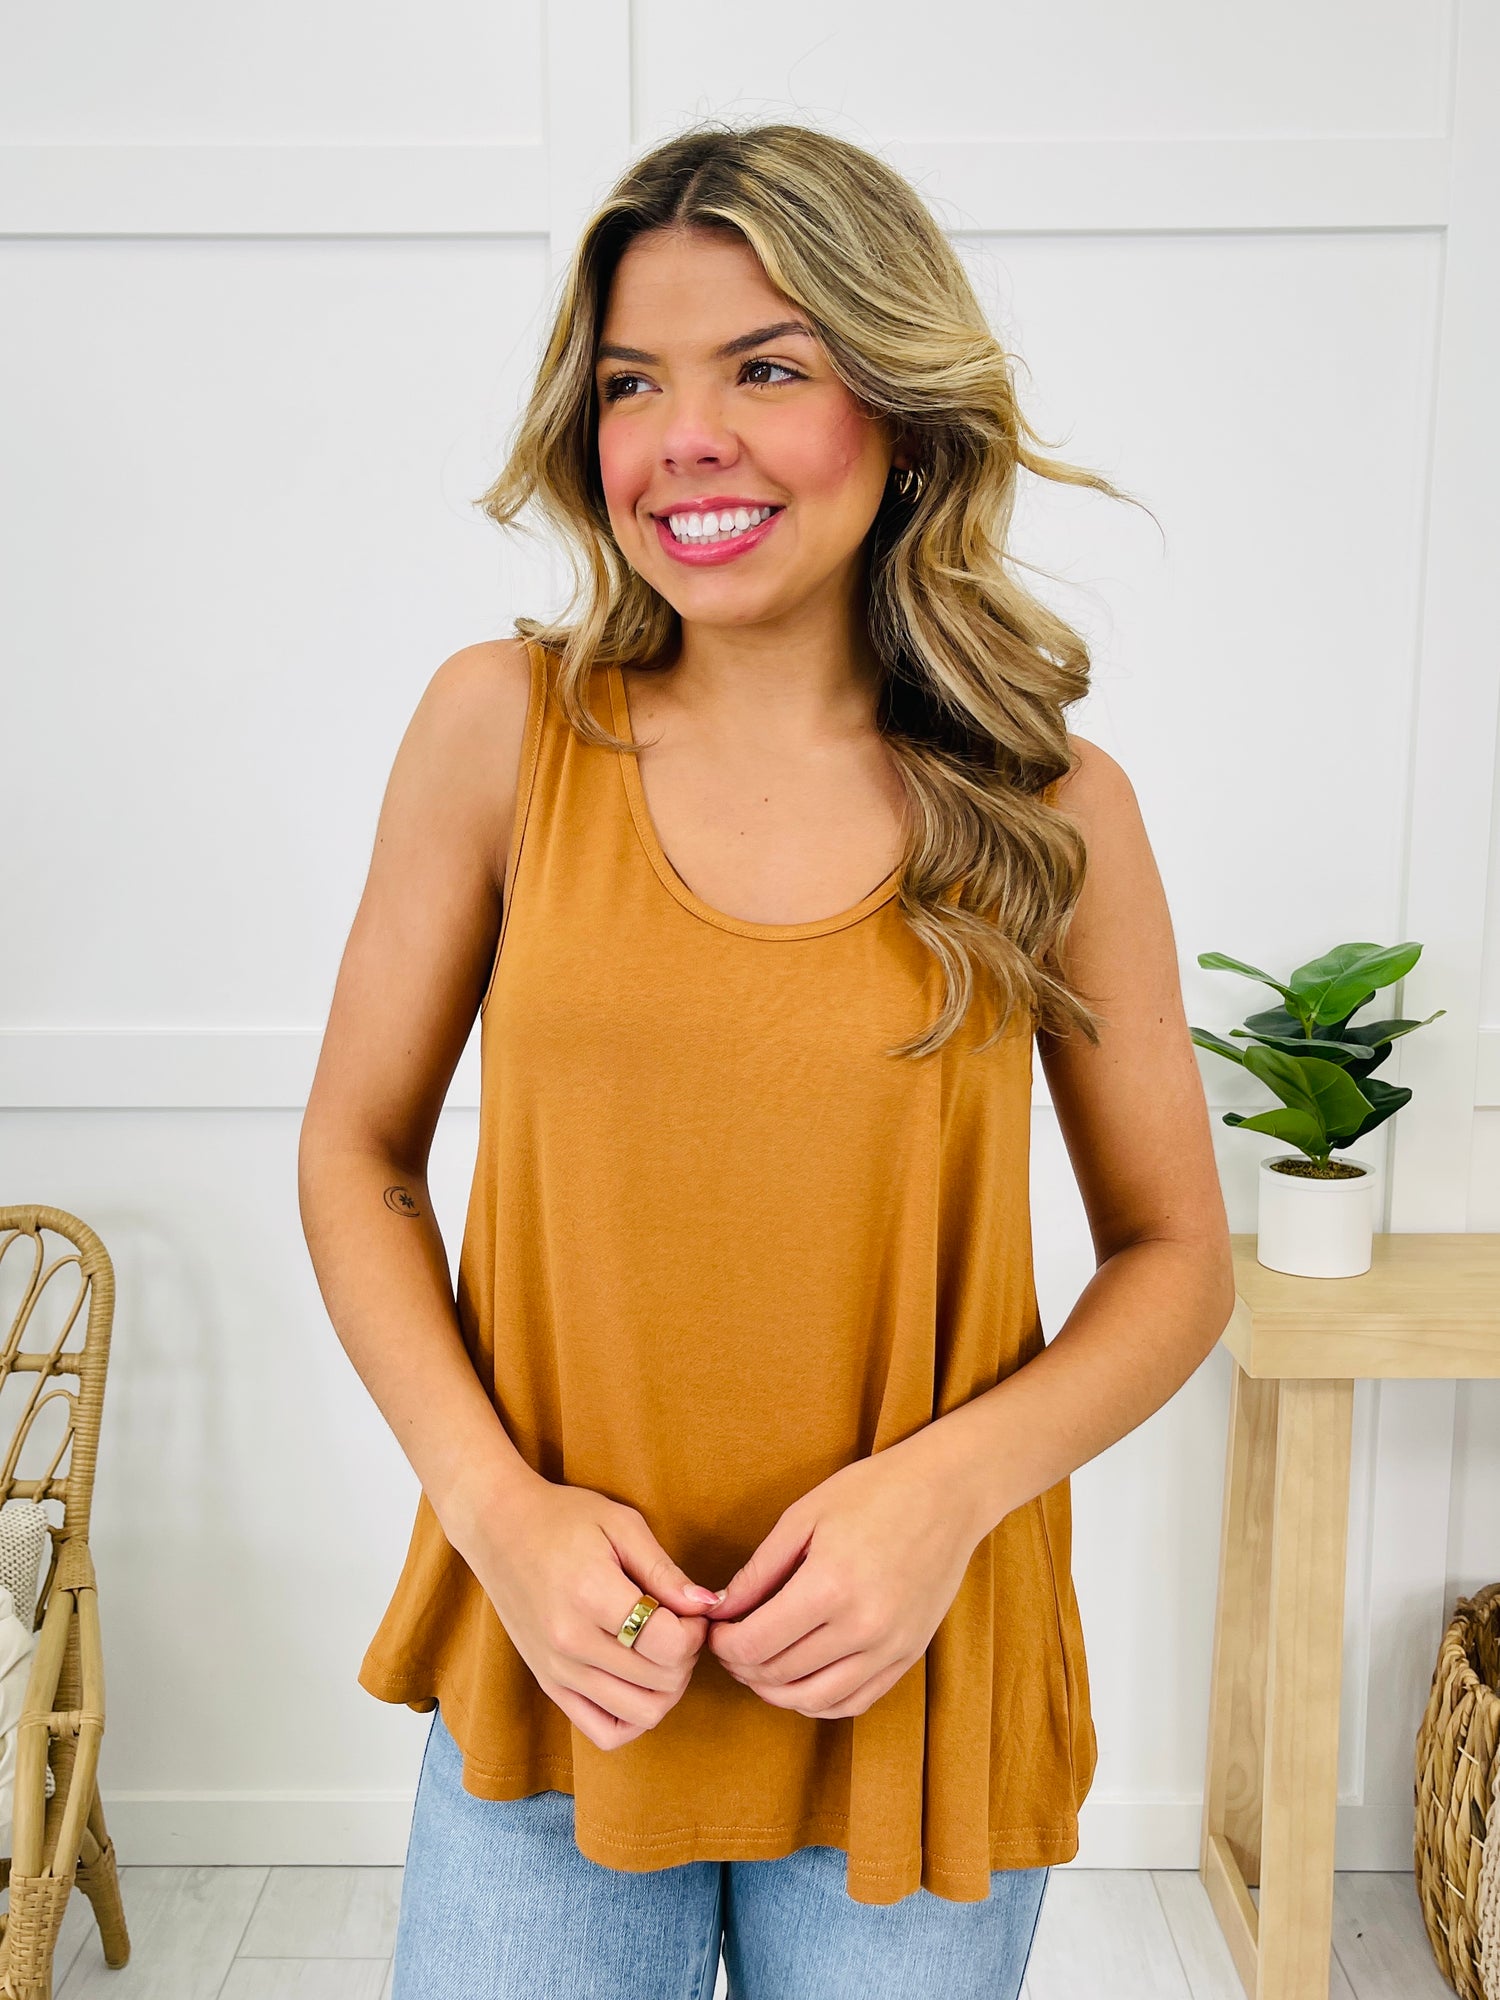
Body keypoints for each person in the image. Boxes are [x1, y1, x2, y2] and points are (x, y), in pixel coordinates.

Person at [297, 117, 1236, 2000]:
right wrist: (497, 1513)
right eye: (633, 383)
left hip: (916, 1685)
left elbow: (1176, 1258)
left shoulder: (1053, 805)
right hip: (561, 1676)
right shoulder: (500, 731)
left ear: (901, 409)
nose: (685, 439)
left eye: (769, 370)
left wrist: (945, 1497)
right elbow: (358, 1156)